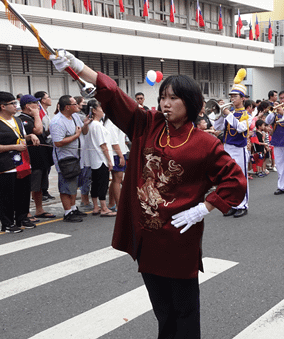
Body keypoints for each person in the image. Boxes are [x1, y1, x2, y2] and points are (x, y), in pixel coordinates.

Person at [50, 49, 245, 339]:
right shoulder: (147, 124)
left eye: (173, 98)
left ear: (190, 103)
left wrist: (205, 207)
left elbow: (235, 181)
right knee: (162, 310)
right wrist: (78, 67)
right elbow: (115, 96)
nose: (166, 104)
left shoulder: (205, 143)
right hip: (148, 236)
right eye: (163, 97)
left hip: (180, 238)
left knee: (185, 311)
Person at [213, 69, 251, 218]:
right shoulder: (229, 113)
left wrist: (228, 114)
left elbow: (241, 128)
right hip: (227, 147)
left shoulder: (246, 114)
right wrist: (221, 114)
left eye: (235, 96)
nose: (232, 98)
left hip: (239, 148)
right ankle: (232, 204)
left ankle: (243, 204)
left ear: (242, 98)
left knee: (241, 177)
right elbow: (218, 128)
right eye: (231, 96)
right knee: (229, 177)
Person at [0, 92, 39, 233]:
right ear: (3, 106)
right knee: (7, 196)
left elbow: (22, 138)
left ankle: (22, 217)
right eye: (12, 104)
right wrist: (13, 147)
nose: (16, 106)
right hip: (6, 165)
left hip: (22, 162)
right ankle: (7, 222)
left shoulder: (17, 121)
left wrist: (31, 136)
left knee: (23, 192)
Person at [49, 94, 90, 222]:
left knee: (74, 184)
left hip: (78, 157)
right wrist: (76, 135)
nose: (78, 106)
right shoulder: (57, 122)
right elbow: (58, 142)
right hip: (65, 159)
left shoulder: (75, 117)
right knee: (66, 185)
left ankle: (73, 208)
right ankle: (67, 212)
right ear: (67, 107)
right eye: (74, 104)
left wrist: (85, 125)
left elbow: (83, 132)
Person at [82, 99, 117, 217]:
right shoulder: (97, 125)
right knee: (103, 183)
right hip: (101, 159)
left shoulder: (91, 125)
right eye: (101, 108)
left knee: (95, 183)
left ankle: (96, 206)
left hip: (94, 159)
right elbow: (103, 145)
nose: (103, 111)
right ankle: (104, 208)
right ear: (94, 110)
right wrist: (109, 161)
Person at [17, 94, 46, 227]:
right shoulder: (23, 119)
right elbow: (38, 131)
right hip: (31, 158)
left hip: (40, 158)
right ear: (28, 106)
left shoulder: (32, 118)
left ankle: (39, 209)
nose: (38, 106)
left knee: (39, 185)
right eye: (35, 103)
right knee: (30, 186)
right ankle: (26, 212)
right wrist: (36, 115)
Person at [33, 91, 56, 203]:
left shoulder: (45, 111)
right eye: (48, 97)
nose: (50, 99)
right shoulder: (39, 111)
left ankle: (45, 191)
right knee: (41, 170)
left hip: (47, 142)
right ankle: (40, 192)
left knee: (47, 168)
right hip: (42, 143)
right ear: (42, 100)